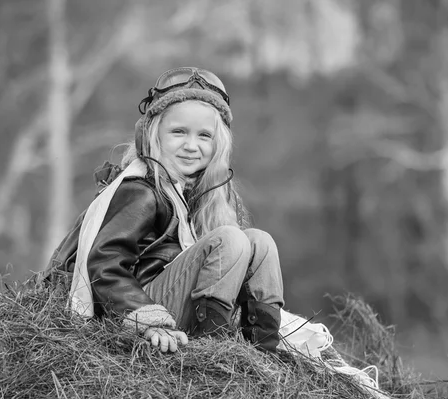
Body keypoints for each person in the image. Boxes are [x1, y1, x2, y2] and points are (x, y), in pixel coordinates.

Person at [47, 67, 284, 354]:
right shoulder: (141, 190)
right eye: (178, 132)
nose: (191, 146)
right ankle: (211, 349)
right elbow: (104, 262)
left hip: (174, 300)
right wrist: (147, 318)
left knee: (261, 241)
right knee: (230, 239)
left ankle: (263, 349)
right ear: (153, 134)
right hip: (140, 305)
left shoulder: (196, 191)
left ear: (218, 143)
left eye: (204, 136)